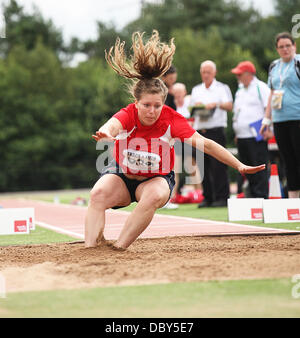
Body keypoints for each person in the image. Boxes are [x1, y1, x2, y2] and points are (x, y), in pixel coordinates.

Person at [85, 30, 266, 250]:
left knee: (153, 196)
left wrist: (238, 164)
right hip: (123, 177)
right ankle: (91, 249)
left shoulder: (172, 119)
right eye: (146, 105)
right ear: (136, 102)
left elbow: (206, 144)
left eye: (157, 106)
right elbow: (112, 124)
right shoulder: (129, 113)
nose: (152, 111)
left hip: (155, 180)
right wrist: (107, 133)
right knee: (97, 194)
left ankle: (119, 248)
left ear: (163, 103)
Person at [260, 32, 300, 199]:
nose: (285, 49)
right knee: (288, 161)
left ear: (294, 46)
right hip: (280, 119)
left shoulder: (298, 63)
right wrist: (267, 119)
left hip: (297, 117)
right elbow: (272, 93)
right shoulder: (274, 66)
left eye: (288, 46)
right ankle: (293, 199)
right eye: (281, 47)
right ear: (277, 49)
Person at [190, 60, 233, 207]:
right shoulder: (196, 89)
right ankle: (207, 197)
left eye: (208, 72)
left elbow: (229, 105)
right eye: (203, 72)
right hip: (199, 131)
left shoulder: (222, 88)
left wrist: (216, 104)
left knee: (218, 164)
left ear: (214, 73)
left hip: (215, 130)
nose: (205, 75)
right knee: (202, 165)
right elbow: (192, 108)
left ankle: (222, 197)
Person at [231, 61, 270, 198]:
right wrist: (236, 131)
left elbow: (268, 108)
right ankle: (252, 196)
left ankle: (262, 196)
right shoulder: (240, 90)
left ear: (248, 74)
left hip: (256, 134)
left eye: (240, 74)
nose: (238, 77)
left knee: (258, 166)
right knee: (246, 167)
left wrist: (268, 127)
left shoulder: (261, 87)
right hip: (242, 135)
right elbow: (237, 112)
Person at [171, 82, 203, 204]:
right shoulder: (171, 105)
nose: (178, 96)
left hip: (189, 138)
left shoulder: (190, 102)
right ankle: (172, 195)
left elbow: (198, 114)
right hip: (176, 140)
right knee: (175, 167)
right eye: (176, 94)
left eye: (180, 93)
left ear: (184, 93)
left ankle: (199, 193)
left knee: (192, 166)